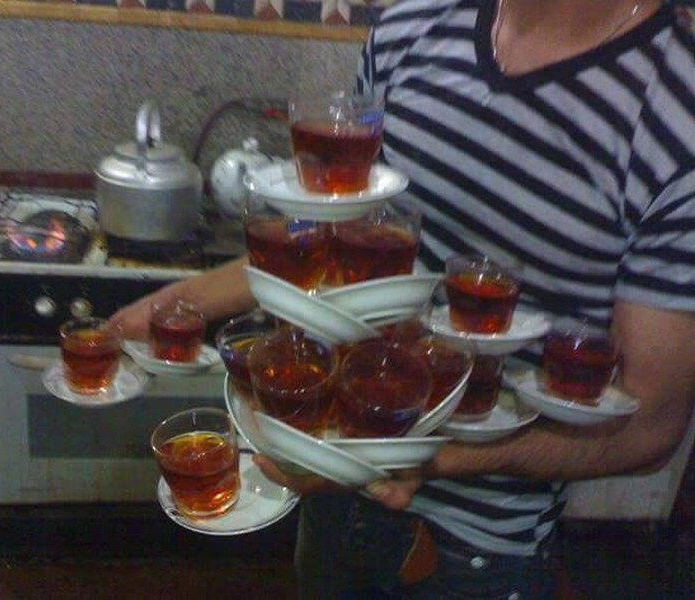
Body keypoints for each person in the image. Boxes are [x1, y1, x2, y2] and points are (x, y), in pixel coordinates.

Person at [112, 0, 695, 597]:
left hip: (476, 549)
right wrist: (175, 303)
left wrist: (432, 458)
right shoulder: (408, 30)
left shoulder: (680, 115)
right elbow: (334, 248)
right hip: (332, 493)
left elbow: (651, 426)